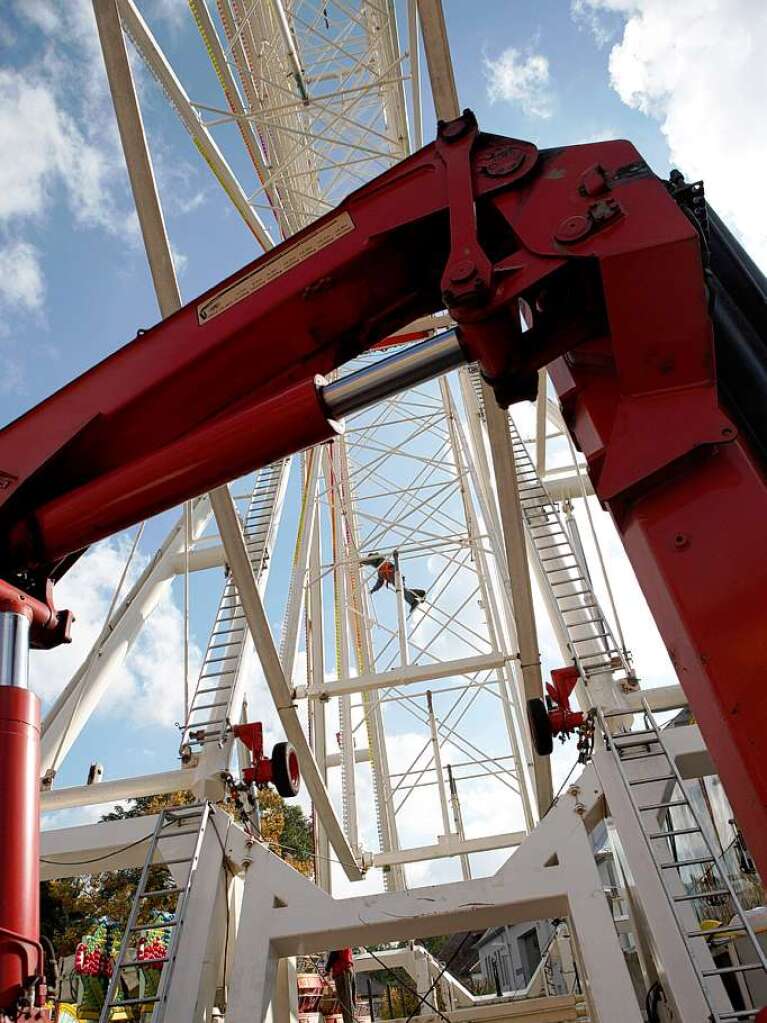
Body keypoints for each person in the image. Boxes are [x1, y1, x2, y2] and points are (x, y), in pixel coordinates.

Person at [326, 948, 355, 1023]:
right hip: (346, 969)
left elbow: (334, 953)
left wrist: (327, 969)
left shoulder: (338, 941)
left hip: (342, 971)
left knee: (346, 1004)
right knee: (349, 1002)